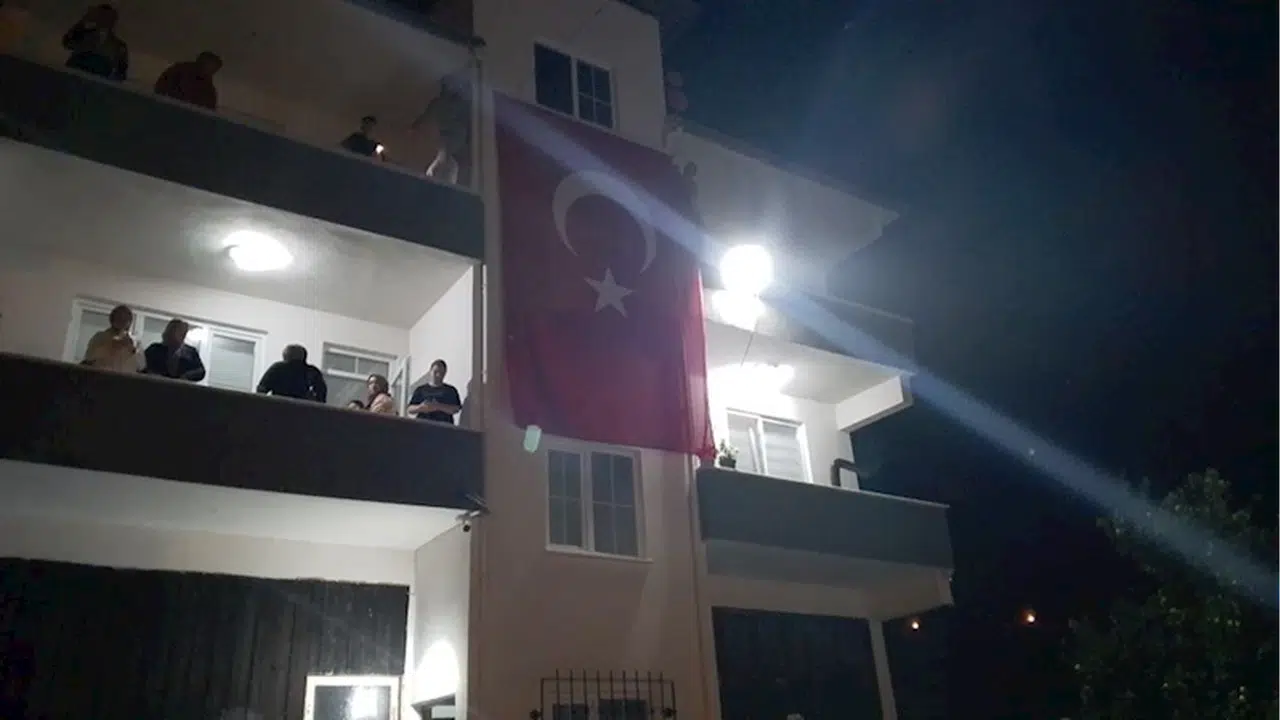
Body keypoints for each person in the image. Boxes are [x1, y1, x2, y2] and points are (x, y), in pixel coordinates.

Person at [413, 71, 470, 185]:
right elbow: (427, 114)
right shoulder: (441, 103)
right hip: (449, 136)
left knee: (446, 159)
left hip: (454, 135)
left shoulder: (456, 103)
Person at [61, 4, 128, 80]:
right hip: (73, 77)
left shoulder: (119, 46)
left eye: (108, 17)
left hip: (96, 82)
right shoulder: (83, 34)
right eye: (101, 15)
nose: (104, 19)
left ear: (113, 20)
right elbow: (67, 43)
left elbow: (121, 74)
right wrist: (83, 21)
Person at [256, 344, 327, 403]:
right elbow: (321, 394)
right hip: (303, 409)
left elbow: (261, 389)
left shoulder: (277, 368)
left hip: (279, 407)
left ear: (286, 356)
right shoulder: (312, 371)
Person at [154, 51, 222, 110]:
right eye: (210, 66)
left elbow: (209, 109)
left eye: (214, 69)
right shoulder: (180, 70)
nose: (212, 71)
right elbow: (161, 87)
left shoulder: (209, 89)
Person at [81, 304, 138, 372]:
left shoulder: (134, 342)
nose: (122, 321)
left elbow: (141, 367)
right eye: (119, 318)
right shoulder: (100, 337)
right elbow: (89, 358)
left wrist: (132, 350)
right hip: (102, 376)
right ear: (112, 320)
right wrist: (111, 346)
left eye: (126, 319)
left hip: (124, 377)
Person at [407, 359, 461, 424]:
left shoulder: (450, 390)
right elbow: (410, 409)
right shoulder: (420, 389)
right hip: (423, 426)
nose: (438, 375)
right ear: (430, 371)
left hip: (443, 427)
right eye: (435, 372)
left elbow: (456, 409)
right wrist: (421, 407)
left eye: (441, 373)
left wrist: (437, 406)